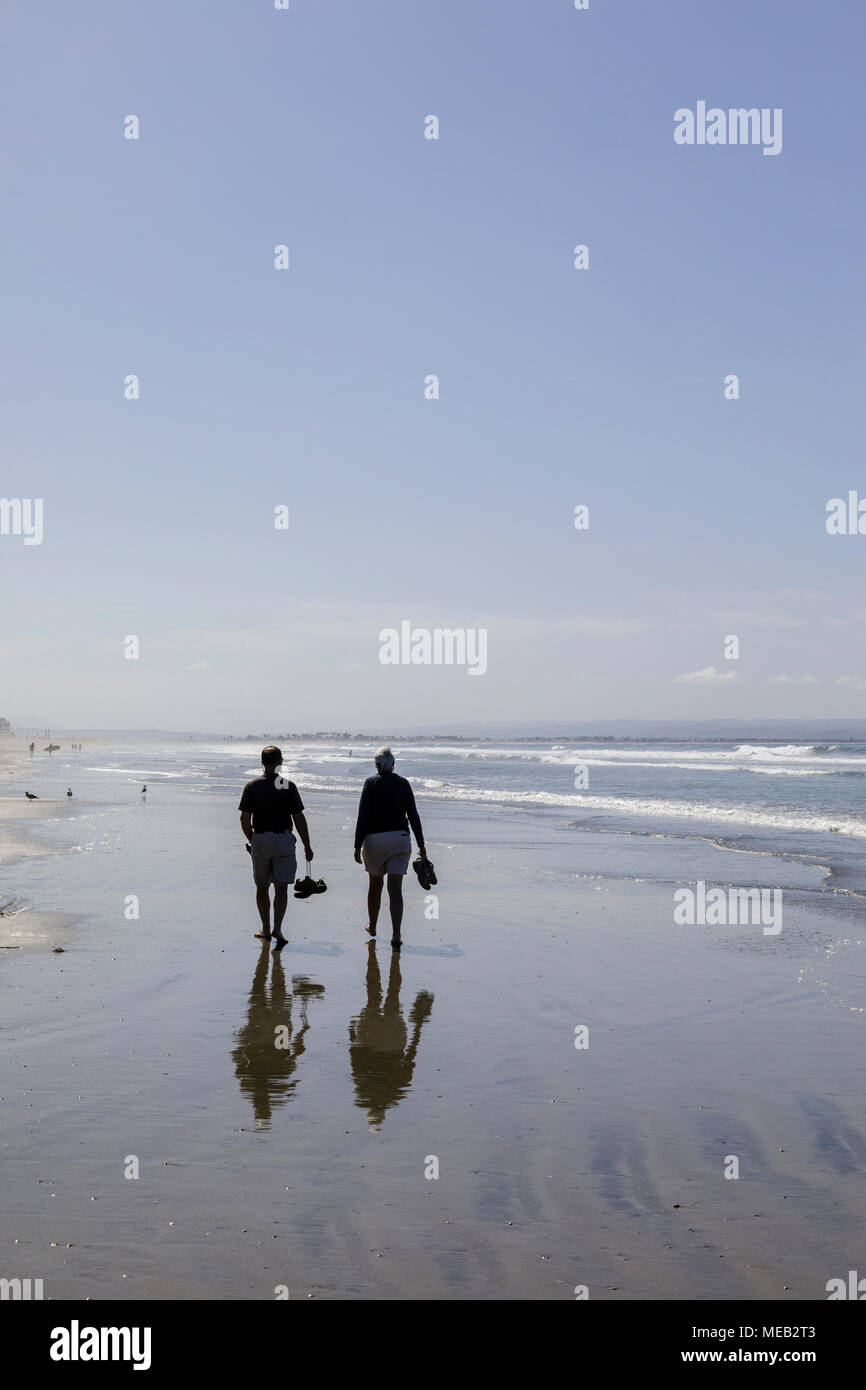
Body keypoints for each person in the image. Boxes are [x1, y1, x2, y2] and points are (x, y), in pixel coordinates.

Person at [239, 746, 313, 950]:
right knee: (281, 888)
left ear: (262, 762)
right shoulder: (287, 785)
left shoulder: (252, 786)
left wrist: (252, 839)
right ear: (280, 761)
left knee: (262, 887)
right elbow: (298, 817)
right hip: (283, 839)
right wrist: (307, 845)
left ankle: (265, 927)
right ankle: (278, 929)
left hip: (261, 838)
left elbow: (245, 818)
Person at [353, 746, 427, 949]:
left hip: (375, 841)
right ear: (393, 765)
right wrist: (421, 845)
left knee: (375, 885)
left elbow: (363, 816)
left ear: (376, 765)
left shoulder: (370, 783)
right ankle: (396, 936)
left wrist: (356, 845)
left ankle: (374, 926)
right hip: (400, 840)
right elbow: (413, 816)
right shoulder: (403, 784)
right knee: (395, 890)